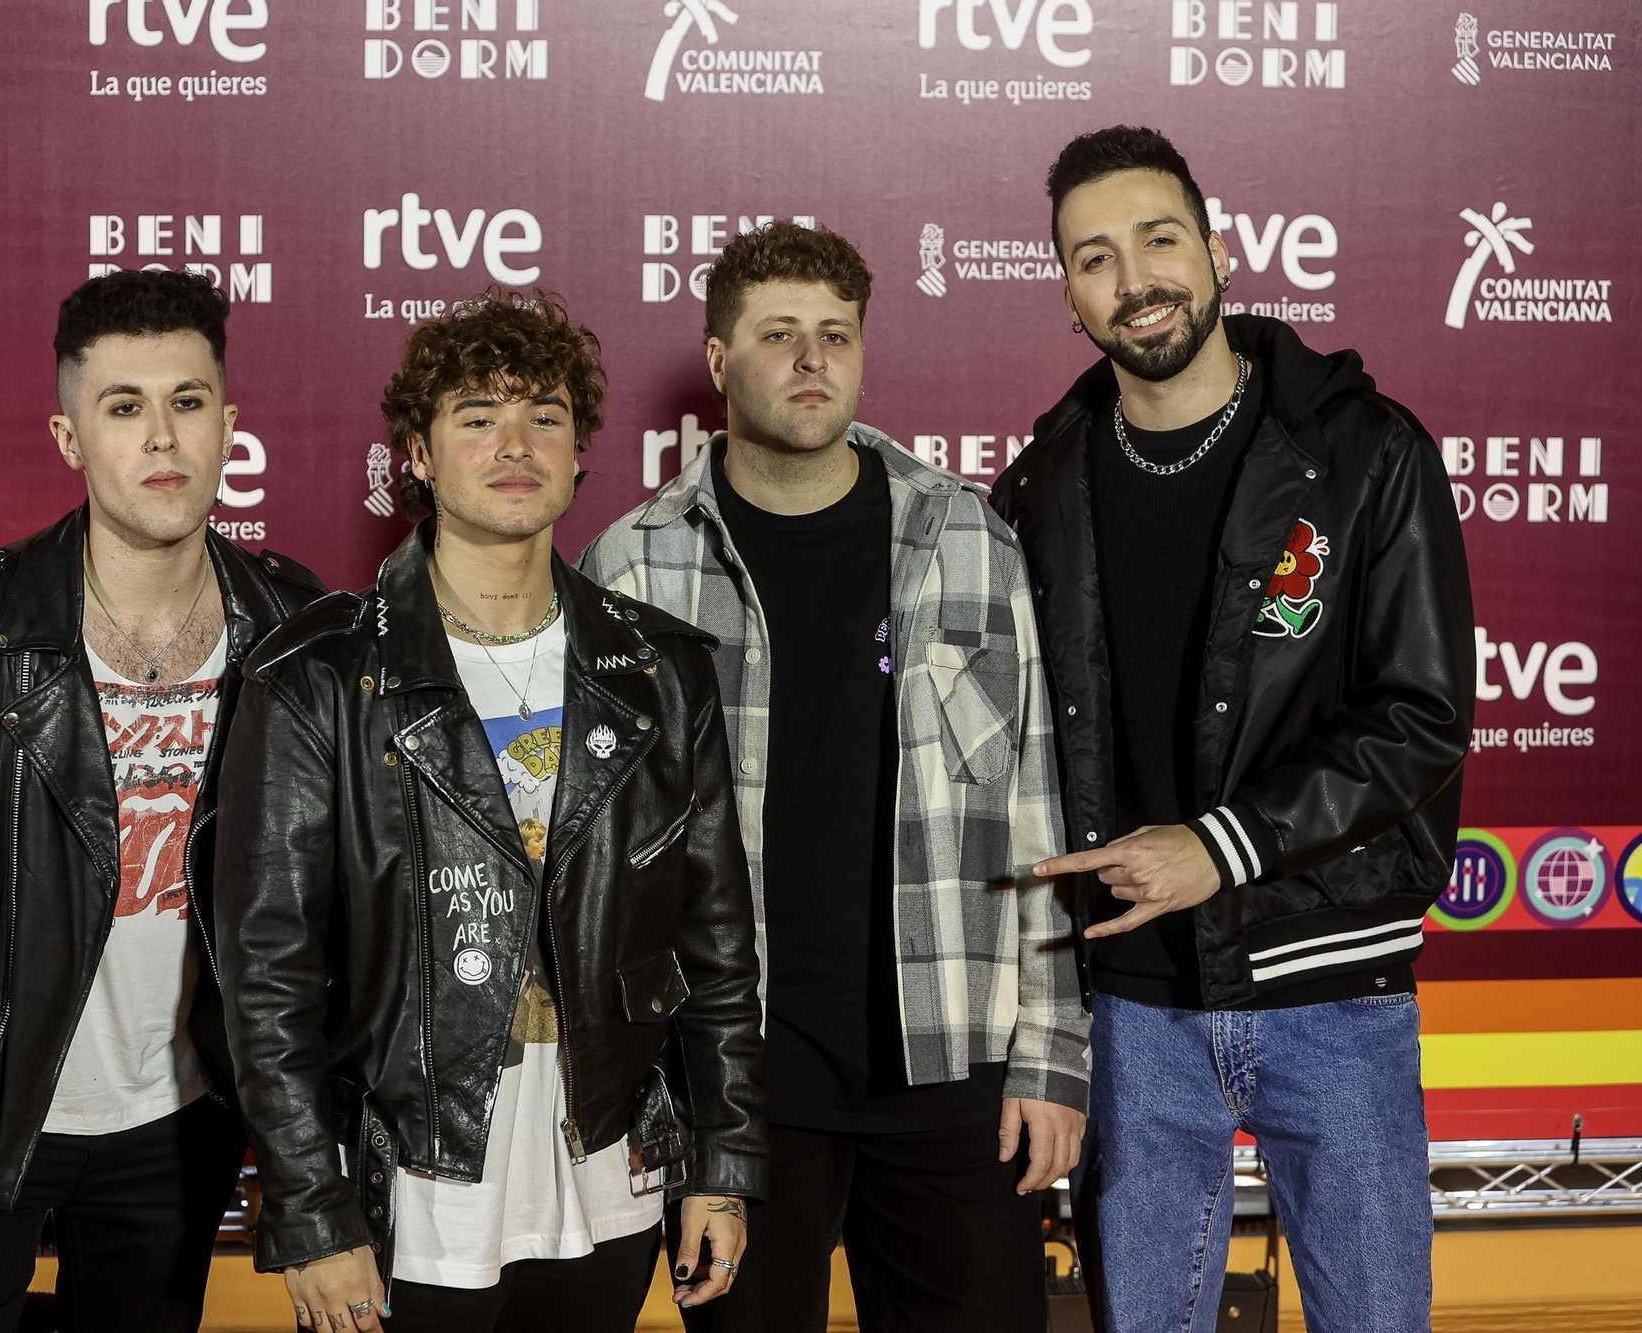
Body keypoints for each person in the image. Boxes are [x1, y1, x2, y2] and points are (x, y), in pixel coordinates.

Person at [992, 125, 1475, 1333]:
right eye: (1093, 256)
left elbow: (1420, 718)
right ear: (1066, 295)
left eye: (1158, 239)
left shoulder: (1362, 451)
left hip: (1332, 986)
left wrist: (1223, 844)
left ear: (1214, 249)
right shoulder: (1038, 485)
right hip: (1128, 1007)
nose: (1134, 277)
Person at [212, 288, 766, 1333]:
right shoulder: (319, 677)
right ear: (416, 454)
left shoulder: (658, 668)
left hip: (606, 1155)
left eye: (544, 416)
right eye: (476, 416)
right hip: (407, 1165)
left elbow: (718, 945)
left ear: (577, 450)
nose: (514, 444)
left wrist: (722, 1165)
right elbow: (267, 971)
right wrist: (311, 1210)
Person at [582, 221, 1088, 1333]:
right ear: (718, 364)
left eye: (834, 335)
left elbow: (1033, 808)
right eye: (777, 335)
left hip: (952, 1069)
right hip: (740, 1088)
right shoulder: (632, 564)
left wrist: (1052, 1057)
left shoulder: (965, 537)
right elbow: (608, 870)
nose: (811, 360)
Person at [0, 269, 327, 1332]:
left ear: (228, 424)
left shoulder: (292, 624)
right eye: (123, 408)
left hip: (181, 1117)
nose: (162, 439)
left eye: (187, 403)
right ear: (68, 436)